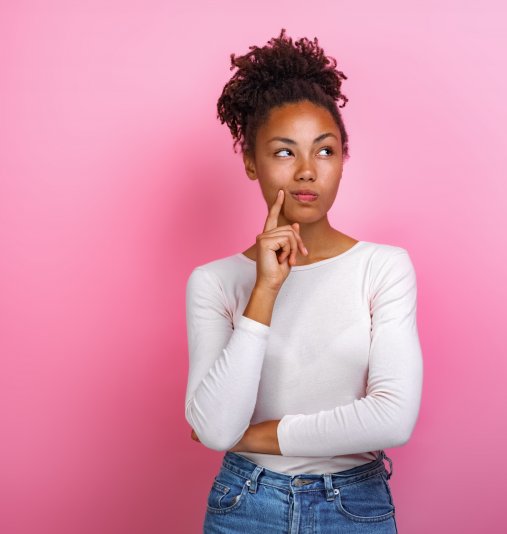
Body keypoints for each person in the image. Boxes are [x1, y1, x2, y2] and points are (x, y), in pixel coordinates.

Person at [184, 28, 423, 533]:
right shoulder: (215, 282)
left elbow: (393, 418)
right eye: (285, 152)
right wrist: (265, 290)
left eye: (325, 150)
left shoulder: (382, 268)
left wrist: (251, 436)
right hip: (244, 506)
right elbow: (216, 427)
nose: (308, 172)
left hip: (355, 505)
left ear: (342, 159)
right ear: (251, 162)